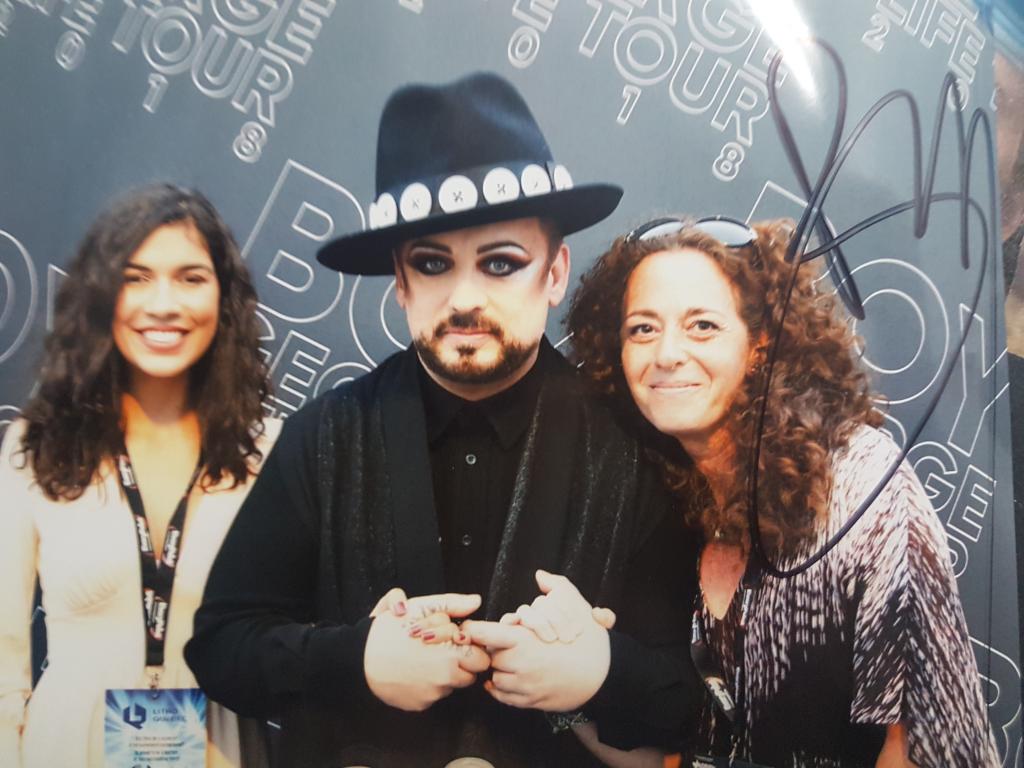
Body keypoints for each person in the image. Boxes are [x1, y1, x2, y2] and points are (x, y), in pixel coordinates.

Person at [184, 72, 702, 767]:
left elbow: (691, 702)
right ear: (400, 282)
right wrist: (356, 661)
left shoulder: (634, 452)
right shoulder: (325, 437)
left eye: (500, 263)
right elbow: (221, 647)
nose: (463, 297)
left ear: (554, 274)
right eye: (432, 264)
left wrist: (601, 672)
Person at [566, 215, 1000, 767]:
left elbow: (917, 746)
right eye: (642, 329)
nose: (667, 353)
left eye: (702, 325)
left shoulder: (859, 489)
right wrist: (566, 683)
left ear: (759, 344)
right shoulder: (655, 491)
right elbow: (679, 754)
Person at [0, 184, 279, 768]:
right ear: (102, 295)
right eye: (136, 277)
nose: (163, 304)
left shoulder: (268, 450)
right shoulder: (37, 444)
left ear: (223, 296)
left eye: (190, 278)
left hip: (220, 750)